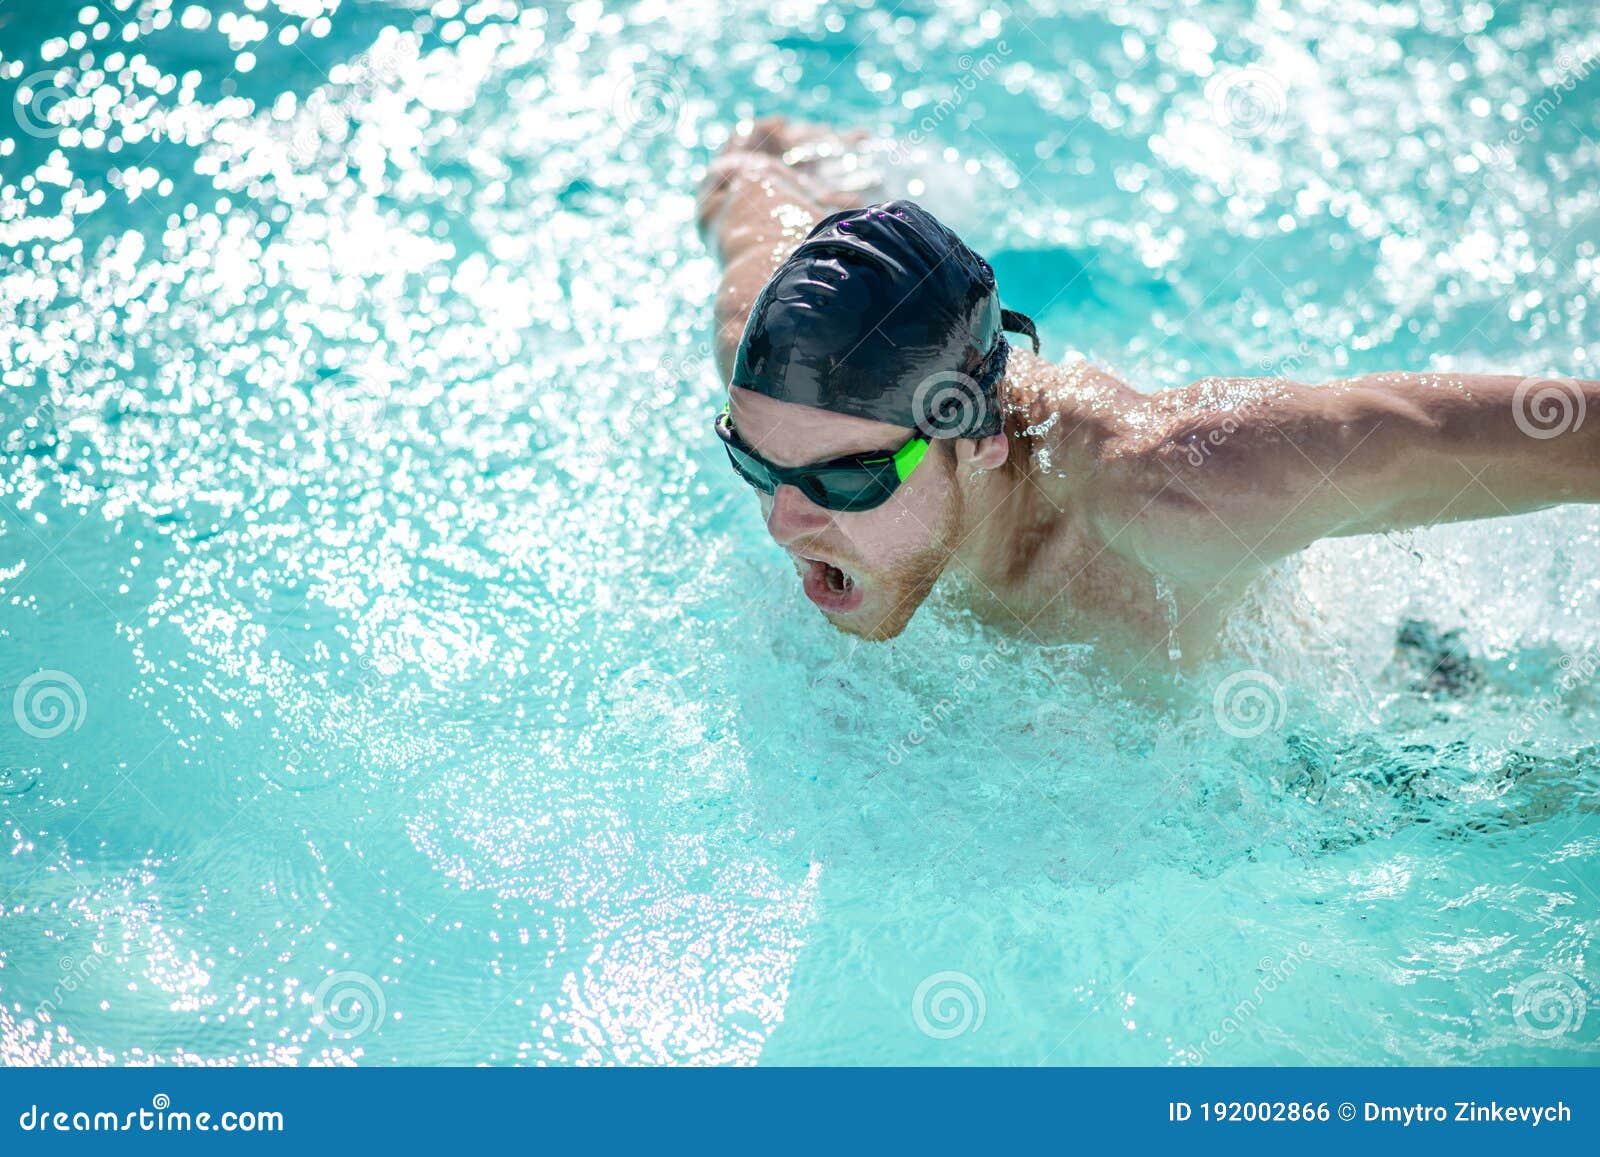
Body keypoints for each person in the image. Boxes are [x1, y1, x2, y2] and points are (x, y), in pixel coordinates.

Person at [696, 118, 1599, 671]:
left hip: (1385, 737)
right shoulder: (772, 358)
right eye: (750, 459)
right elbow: (750, 173)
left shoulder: (1183, 492)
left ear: (975, 437)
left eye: (844, 480)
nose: (781, 520)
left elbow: (1557, 435)